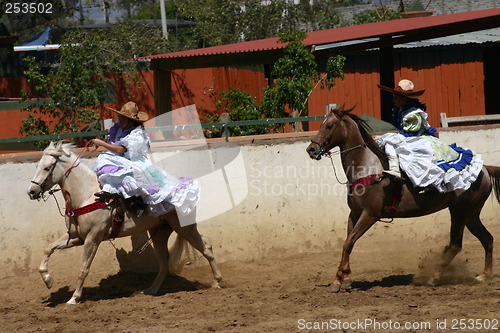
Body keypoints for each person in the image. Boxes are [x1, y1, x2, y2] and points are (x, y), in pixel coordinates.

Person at [92, 101, 200, 218]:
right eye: (120, 118)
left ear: (131, 121)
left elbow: (120, 149)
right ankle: (112, 196)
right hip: (119, 159)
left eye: (124, 119)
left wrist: (102, 143)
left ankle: (137, 204)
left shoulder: (137, 134)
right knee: (104, 161)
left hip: (133, 161)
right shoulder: (119, 129)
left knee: (129, 176)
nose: (121, 121)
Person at [377, 79, 483, 193]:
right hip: (410, 138)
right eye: (394, 96)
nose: (394, 100)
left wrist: (394, 137)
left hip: (417, 138)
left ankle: (401, 173)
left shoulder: (413, 114)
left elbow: (411, 132)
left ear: (404, 98)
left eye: (397, 97)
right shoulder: (401, 110)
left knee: (407, 153)